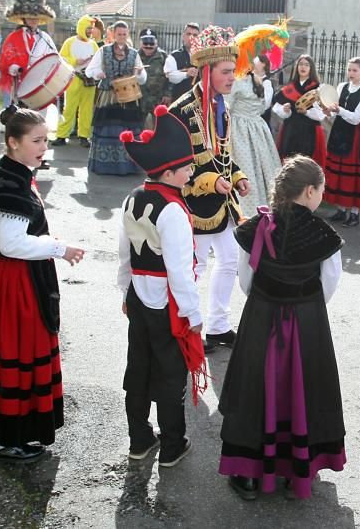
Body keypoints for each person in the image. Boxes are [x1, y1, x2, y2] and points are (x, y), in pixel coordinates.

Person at [219, 156, 345, 501]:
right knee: (303, 391)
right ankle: (296, 470)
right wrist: (305, 305)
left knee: (255, 390)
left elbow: (245, 279)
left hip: (261, 315)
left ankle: (247, 474)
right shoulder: (324, 234)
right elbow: (329, 282)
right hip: (307, 322)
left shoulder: (254, 228)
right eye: (321, 190)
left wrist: (267, 298)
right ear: (309, 191)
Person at [0, 107, 85, 461]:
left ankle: (7, 431)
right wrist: (60, 248)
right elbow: (11, 242)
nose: (44, 146)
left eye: (46, 139)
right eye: (37, 140)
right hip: (13, 282)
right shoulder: (11, 183)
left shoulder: (10, 174)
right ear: (13, 143)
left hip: (9, 277)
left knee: (9, 353)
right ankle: (4, 437)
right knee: (14, 353)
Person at [117, 105, 207, 468]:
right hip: (167, 303)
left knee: (137, 367)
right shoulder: (173, 211)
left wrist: (125, 289)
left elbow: (124, 253)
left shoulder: (132, 197)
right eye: (186, 167)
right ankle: (172, 445)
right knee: (171, 374)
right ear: (168, 172)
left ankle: (139, 440)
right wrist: (194, 313)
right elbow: (180, 270)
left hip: (138, 297)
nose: (191, 171)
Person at [168, 25, 251, 351]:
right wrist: (209, 181)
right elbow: (173, 166)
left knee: (230, 260)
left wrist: (238, 176)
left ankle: (217, 326)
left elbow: (225, 156)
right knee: (196, 266)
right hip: (194, 204)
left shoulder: (222, 108)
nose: (233, 78)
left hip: (224, 202)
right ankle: (184, 325)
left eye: (234, 71)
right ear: (208, 72)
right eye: (227, 72)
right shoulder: (181, 111)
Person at [84, 21, 147, 175]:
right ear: (113, 34)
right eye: (119, 34)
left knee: (128, 130)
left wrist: (139, 74)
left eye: (124, 34)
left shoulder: (134, 53)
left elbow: (143, 78)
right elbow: (89, 70)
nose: (122, 37)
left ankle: (128, 167)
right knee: (108, 129)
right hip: (108, 96)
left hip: (129, 98)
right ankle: (104, 166)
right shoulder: (103, 51)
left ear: (128, 34)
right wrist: (97, 73)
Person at [228, 54, 282, 218]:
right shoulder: (257, 81)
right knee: (260, 166)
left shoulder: (236, 82)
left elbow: (227, 106)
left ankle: (246, 208)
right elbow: (262, 108)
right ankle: (266, 204)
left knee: (244, 166)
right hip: (258, 128)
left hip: (240, 128)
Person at [323, 57, 360, 227]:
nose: (351, 73)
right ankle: (340, 210)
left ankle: (354, 213)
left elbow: (356, 118)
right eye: (349, 70)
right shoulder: (341, 87)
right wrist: (328, 110)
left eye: (355, 70)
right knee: (337, 173)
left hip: (353, 136)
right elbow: (334, 113)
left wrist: (339, 109)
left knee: (351, 177)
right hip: (338, 133)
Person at [273, 54, 328, 167]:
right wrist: (285, 110)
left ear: (311, 68)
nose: (303, 67)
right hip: (291, 129)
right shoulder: (289, 88)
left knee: (308, 164)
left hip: (310, 131)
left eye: (307, 65)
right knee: (289, 163)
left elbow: (321, 114)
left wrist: (307, 112)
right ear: (297, 67)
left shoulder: (318, 88)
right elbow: (276, 107)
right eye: (301, 64)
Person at [54, 15, 101, 147]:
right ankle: (62, 135)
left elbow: (98, 60)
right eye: (88, 29)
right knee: (69, 108)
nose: (90, 32)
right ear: (81, 28)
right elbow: (61, 58)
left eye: (91, 29)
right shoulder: (69, 42)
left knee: (86, 110)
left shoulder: (93, 44)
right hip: (73, 78)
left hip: (89, 80)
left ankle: (84, 136)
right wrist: (75, 61)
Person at [137, 28, 171, 121]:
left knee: (159, 128)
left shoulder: (163, 57)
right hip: (140, 100)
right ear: (140, 43)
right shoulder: (135, 56)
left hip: (158, 100)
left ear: (156, 43)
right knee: (138, 131)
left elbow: (170, 76)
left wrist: (167, 94)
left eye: (151, 44)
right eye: (145, 43)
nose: (148, 46)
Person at [165, 23, 201, 102]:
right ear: (183, 36)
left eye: (195, 35)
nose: (191, 37)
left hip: (199, 100)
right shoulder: (174, 56)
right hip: (179, 101)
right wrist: (186, 74)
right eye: (189, 34)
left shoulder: (204, 56)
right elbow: (171, 76)